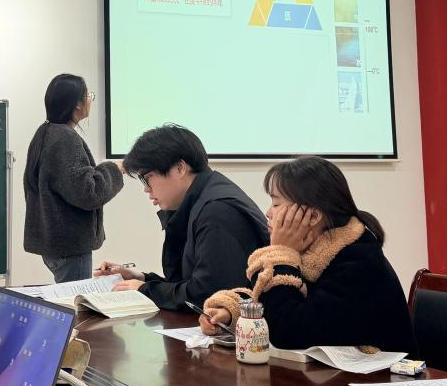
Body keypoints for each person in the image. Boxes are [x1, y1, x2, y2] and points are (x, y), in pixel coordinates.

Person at [197, 156, 415, 352]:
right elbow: (275, 302)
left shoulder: (358, 262)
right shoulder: (314, 252)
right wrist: (233, 312)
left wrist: (282, 254)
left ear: (312, 217)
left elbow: (288, 330)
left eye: (276, 203)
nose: (268, 213)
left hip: (381, 379)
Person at [97, 125, 268, 311]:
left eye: (147, 178)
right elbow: (190, 283)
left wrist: (145, 290)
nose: (146, 189)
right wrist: (142, 279)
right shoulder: (203, 198)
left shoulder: (217, 212)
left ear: (179, 168)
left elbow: (206, 296)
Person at [23, 74, 124, 282]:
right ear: (77, 103)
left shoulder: (45, 132)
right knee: (76, 301)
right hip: (70, 248)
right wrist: (115, 169)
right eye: (88, 96)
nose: (90, 101)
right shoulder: (64, 139)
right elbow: (88, 192)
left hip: (56, 246)